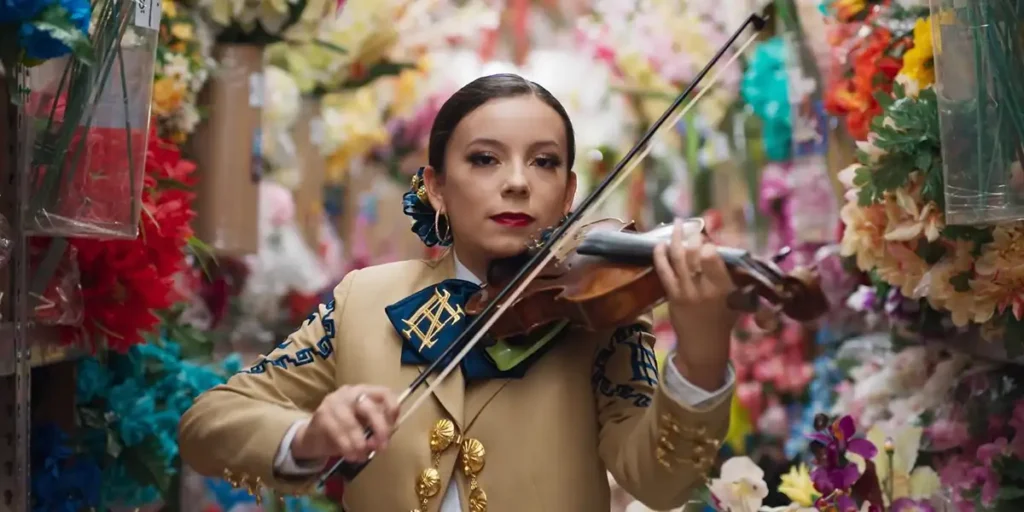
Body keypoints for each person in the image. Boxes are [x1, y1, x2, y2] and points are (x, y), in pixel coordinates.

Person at [179, 73, 740, 512]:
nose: (518, 181)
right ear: (438, 188)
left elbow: (663, 483)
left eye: (544, 162)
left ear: (569, 192)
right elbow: (209, 422)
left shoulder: (599, 318)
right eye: (485, 159)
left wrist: (703, 356)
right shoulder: (363, 300)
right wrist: (306, 436)